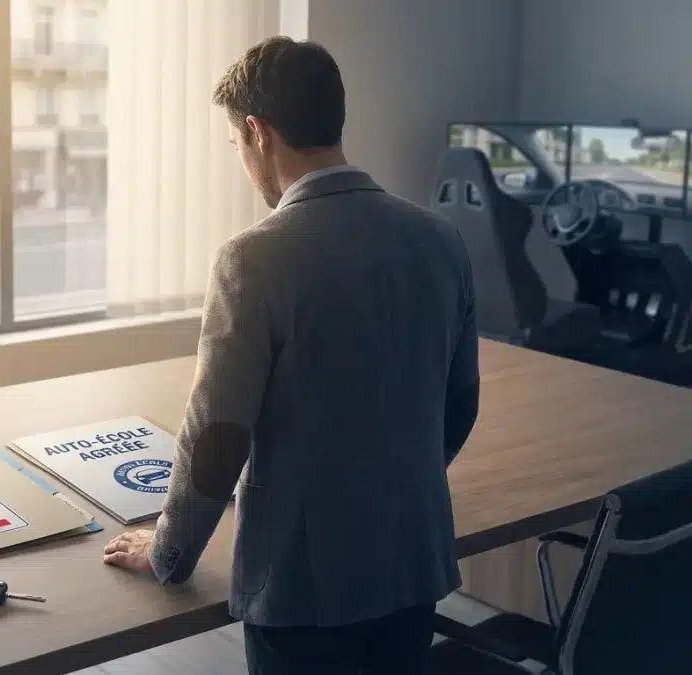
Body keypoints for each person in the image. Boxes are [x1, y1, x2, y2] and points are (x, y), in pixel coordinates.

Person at [102, 37, 480, 675]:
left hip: (306, 589)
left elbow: (217, 438)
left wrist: (168, 553)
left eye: (235, 145)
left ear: (257, 132)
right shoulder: (440, 241)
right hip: (413, 565)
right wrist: (385, 486)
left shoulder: (253, 259)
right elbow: (459, 404)